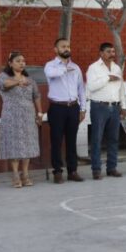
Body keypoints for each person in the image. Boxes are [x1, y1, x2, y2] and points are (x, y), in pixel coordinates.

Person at [0, 51, 43, 188]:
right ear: (10, 63)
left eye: (23, 61)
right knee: (14, 144)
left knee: (27, 144)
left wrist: (40, 113)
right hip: (11, 117)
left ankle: (25, 173)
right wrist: (18, 81)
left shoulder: (29, 79)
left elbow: (36, 96)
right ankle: (16, 175)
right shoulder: (4, 76)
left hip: (28, 116)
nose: (22, 63)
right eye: (18, 61)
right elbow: (3, 85)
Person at [44, 38, 86, 183]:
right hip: (57, 108)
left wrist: (83, 108)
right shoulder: (50, 66)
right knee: (56, 141)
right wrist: (64, 68)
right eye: (63, 47)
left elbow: (81, 88)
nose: (66, 48)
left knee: (71, 141)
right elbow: (51, 75)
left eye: (68, 46)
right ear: (56, 49)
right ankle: (57, 171)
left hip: (73, 107)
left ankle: (72, 171)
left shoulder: (76, 67)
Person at [86, 42, 125, 180]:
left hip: (114, 107)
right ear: (101, 53)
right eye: (108, 51)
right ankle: (96, 169)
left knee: (114, 139)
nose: (111, 54)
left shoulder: (117, 68)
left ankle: (112, 168)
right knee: (97, 138)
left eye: (113, 52)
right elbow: (91, 87)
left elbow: (121, 89)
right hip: (99, 107)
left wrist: (123, 106)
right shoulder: (93, 68)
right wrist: (107, 78)